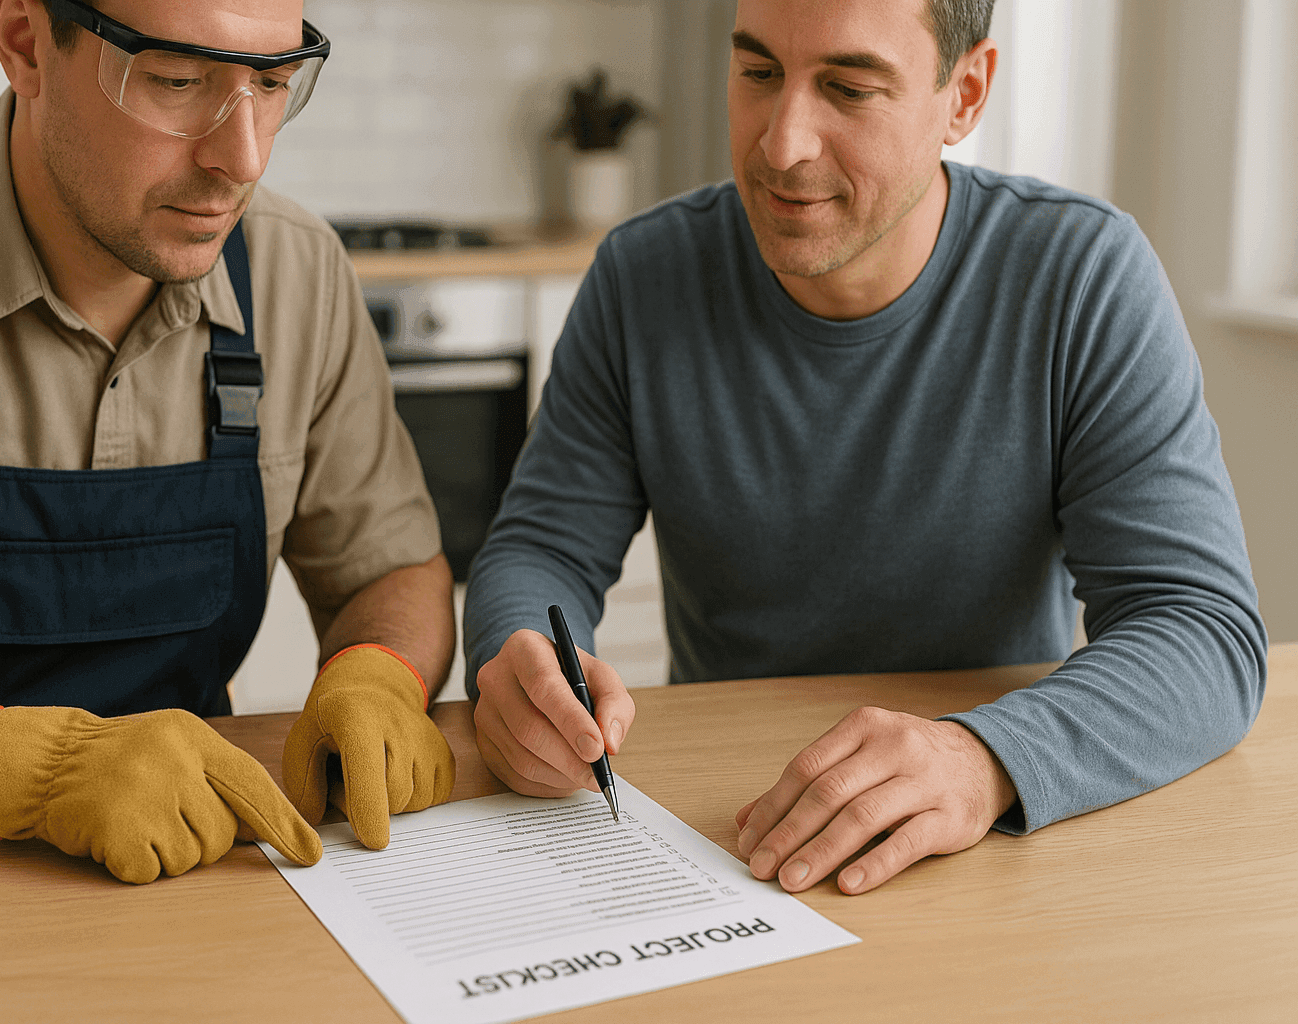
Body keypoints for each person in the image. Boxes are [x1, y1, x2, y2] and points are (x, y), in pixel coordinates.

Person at [463, 0, 1267, 897]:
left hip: (987, 844)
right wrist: (517, 656)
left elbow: (1202, 630)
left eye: (848, 87)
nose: (781, 144)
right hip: (730, 834)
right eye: (758, 73)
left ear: (963, 95)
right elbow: (541, 549)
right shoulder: (641, 276)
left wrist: (985, 756)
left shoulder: (1082, 276)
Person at [0, 0, 457, 884]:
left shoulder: (298, 271)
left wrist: (380, 670)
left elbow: (387, 567)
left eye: (272, 82)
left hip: (192, 876)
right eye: (176, 80)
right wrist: (35, 775)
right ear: (25, 42)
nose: (240, 158)